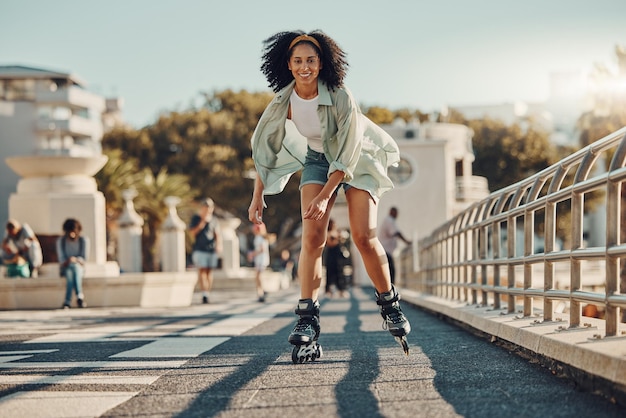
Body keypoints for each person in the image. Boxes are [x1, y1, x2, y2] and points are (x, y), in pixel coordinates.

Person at [247, 30, 411, 360]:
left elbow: (348, 153)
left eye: (311, 60)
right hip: (317, 160)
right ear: (289, 65)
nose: (305, 67)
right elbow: (263, 150)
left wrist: (325, 196)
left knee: (363, 236)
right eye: (298, 61)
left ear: (322, 63)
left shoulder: (340, 94)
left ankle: (390, 304)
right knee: (312, 238)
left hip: (358, 158)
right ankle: (307, 319)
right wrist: (257, 196)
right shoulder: (283, 100)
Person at [189, 198, 222, 304]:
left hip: (211, 249)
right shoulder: (196, 218)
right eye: (206, 207)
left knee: (209, 271)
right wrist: (202, 222)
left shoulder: (214, 220)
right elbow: (192, 233)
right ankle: (204, 294)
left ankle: (207, 292)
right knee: (202, 270)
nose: (208, 209)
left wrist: (219, 246)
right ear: (202, 208)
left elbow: (217, 234)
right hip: (199, 249)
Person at [56, 218, 89, 308]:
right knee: (71, 270)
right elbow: (61, 259)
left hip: (79, 267)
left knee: (74, 269)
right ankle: (79, 297)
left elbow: (84, 259)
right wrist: (69, 261)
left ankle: (67, 301)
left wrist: (75, 260)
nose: (72, 234)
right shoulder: (61, 241)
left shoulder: (83, 240)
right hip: (65, 267)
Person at [379, 207, 412, 285]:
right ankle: (390, 290)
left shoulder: (387, 220)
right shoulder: (389, 220)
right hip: (385, 250)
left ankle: (388, 289)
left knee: (389, 270)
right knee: (391, 271)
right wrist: (406, 241)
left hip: (385, 250)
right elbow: (396, 232)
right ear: (392, 212)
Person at [248, 222, 270, 302]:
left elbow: (262, 249)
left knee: (259, 277)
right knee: (258, 277)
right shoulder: (260, 238)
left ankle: (261, 292)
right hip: (260, 260)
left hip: (261, 260)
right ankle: (261, 292)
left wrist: (252, 254)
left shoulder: (260, 238)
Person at [322, 218, 341, 298]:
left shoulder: (337, 232)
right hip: (330, 254)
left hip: (337, 254)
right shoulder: (328, 233)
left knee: (338, 272)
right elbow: (329, 243)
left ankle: (340, 289)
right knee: (329, 273)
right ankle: (328, 290)